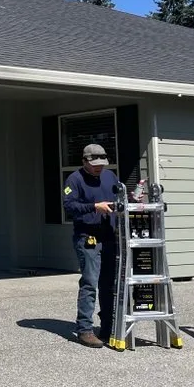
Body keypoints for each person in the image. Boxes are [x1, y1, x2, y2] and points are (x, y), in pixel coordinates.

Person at [63, 143, 120, 348]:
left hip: (109, 236)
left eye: (101, 164)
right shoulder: (74, 179)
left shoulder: (110, 176)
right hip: (87, 237)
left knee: (109, 283)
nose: (99, 167)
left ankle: (108, 326)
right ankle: (84, 330)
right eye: (94, 164)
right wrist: (94, 207)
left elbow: (119, 197)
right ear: (85, 161)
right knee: (90, 282)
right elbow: (69, 206)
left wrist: (132, 198)